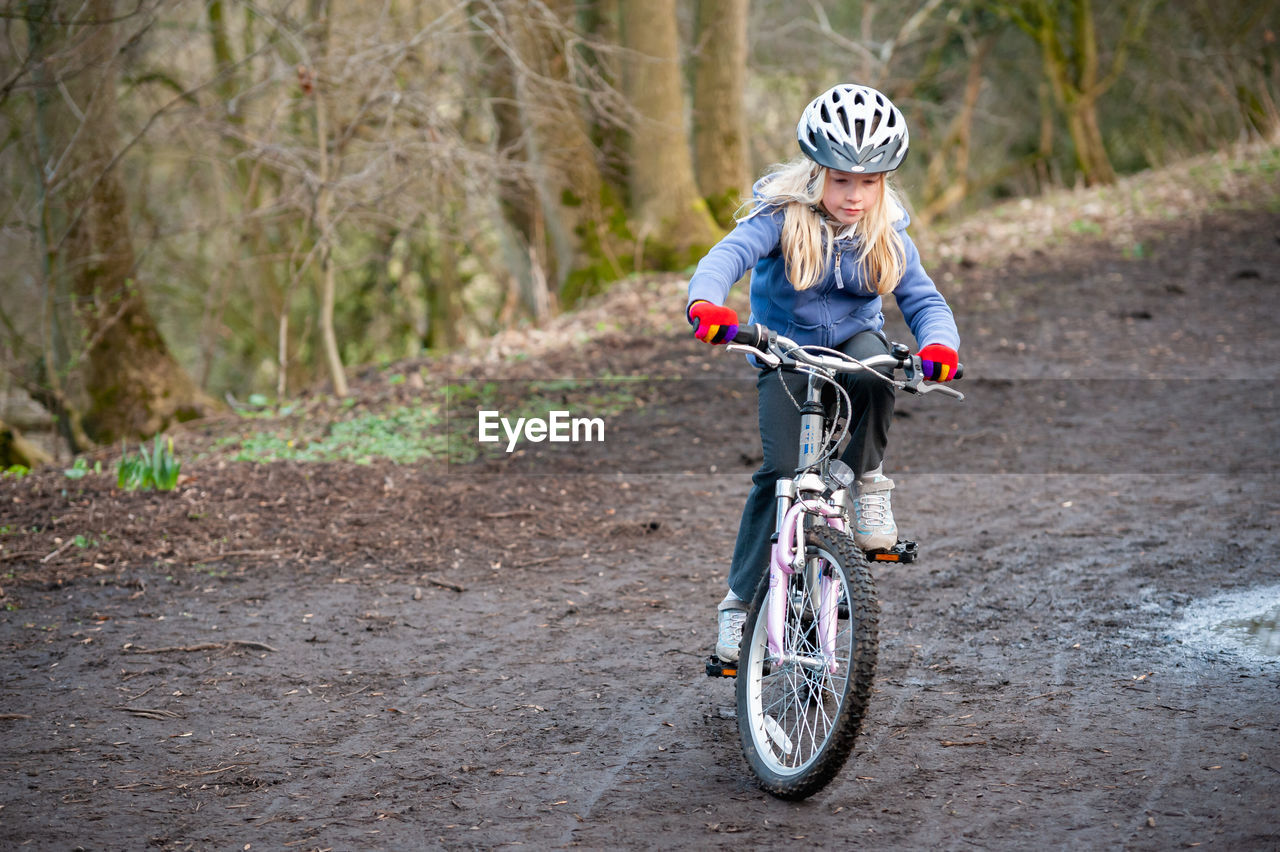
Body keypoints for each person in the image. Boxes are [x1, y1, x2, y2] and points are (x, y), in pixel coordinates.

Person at [684, 83, 961, 663]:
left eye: (868, 182)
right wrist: (708, 304)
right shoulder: (780, 217)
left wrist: (939, 346)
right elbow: (724, 258)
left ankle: (868, 484)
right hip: (783, 351)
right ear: (816, 172)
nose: (854, 196)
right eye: (841, 180)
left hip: (853, 348)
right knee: (780, 473)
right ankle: (739, 605)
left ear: (883, 182)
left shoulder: (888, 230)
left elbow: (924, 302)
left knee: (878, 368)